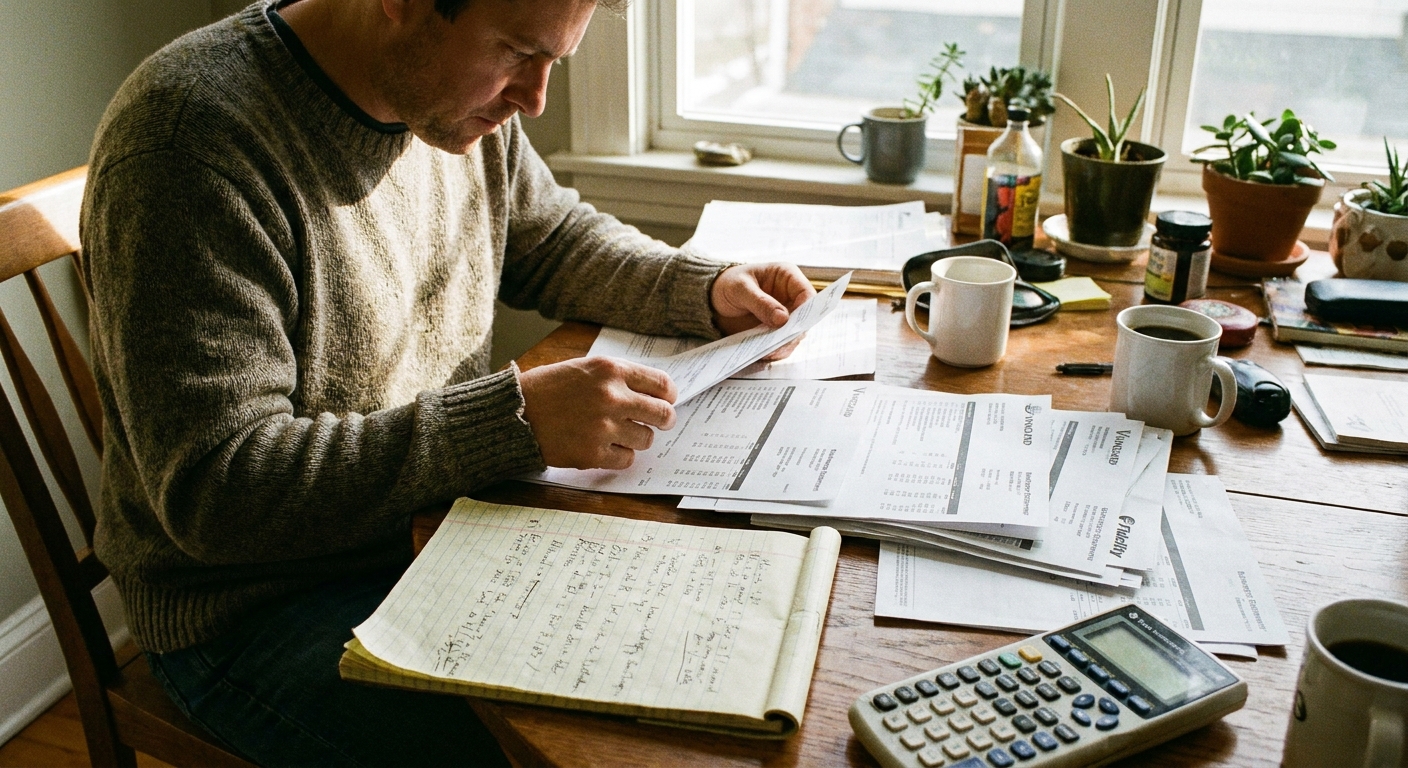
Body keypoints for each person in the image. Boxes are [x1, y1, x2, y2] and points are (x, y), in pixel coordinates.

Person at [77, 0, 814, 764]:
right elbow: (219, 490)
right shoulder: (188, 143)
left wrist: (703, 290)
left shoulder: (453, 102)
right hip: (253, 605)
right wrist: (511, 422)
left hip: (439, 531)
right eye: (517, 53)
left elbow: (552, 238)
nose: (535, 97)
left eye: (555, 61)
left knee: (700, 667)